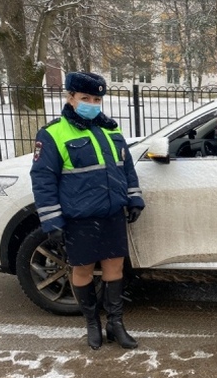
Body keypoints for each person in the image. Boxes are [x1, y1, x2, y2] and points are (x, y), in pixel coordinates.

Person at [30, 72, 145, 350]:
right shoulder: (53, 133)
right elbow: (43, 179)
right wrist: (51, 220)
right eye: (85, 98)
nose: (92, 104)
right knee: (81, 271)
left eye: (96, 99)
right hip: (79, 217)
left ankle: (115, 324)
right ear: (70, 98)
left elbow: (125, 168)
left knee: (114, 268)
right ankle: (92, 324)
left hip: (112, 213)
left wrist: (134, 198)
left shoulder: (111, 130)